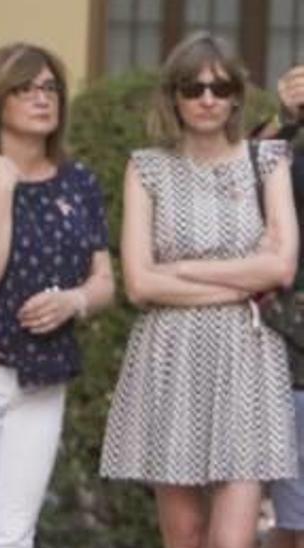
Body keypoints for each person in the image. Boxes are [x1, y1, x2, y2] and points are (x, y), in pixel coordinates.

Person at [100, 32, 299, 548]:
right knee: (185, 534)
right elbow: (140, 283)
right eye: (193, 87)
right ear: (173, 96)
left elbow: (280, 267)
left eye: (219, 86)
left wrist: (185, 273)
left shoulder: (268, 160)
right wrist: (239, 278)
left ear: (236, 95)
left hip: (247, 354)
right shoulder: (147, 167)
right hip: (171, 356)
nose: (207, 98)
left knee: (231, 541)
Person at [0, 43, 115, 548]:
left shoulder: (79, 181)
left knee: (16, 534)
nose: (43, 98)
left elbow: (105, 279)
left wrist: (74, 301)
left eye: (50, 88)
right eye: (26, 88)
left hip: (45, 376)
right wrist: (4, 188)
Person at [263, 64, 304, 548]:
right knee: (293, 522)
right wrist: (285, 119)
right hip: (295, 347)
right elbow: (238, 179)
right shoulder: (284, 140)